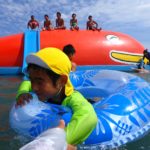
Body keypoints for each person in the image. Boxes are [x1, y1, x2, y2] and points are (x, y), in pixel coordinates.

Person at [16, 47, 98, 149]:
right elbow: (26, 83)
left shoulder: (72, 97)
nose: (34, 87)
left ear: (61, 81)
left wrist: (57, 140)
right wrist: (22, 93)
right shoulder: (43, 91)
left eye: (40, 81)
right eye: (32, 80)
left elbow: (89, 117)